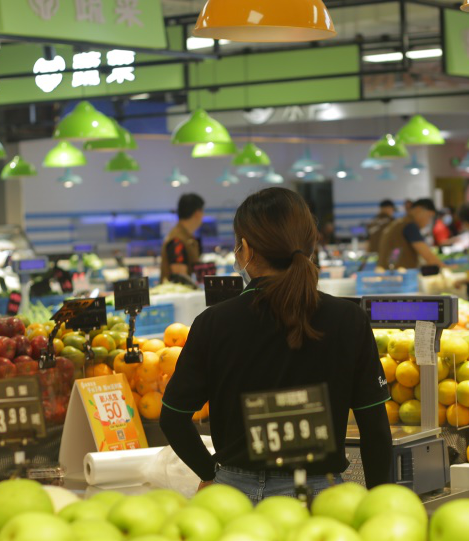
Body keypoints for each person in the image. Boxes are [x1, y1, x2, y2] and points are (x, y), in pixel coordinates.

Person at [159, 187, 393, 501]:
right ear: (311, 245)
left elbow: (173, 418)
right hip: (319, 498)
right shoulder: (348, 319)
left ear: (244, 249)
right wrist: (380, 505)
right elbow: (375, 429)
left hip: (232, 498)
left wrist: (210, 473)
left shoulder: (214, 323)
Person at [378, 198, 443, 270]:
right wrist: (446, 269)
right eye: (429, 216)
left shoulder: (400, 222)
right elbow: (428, 256)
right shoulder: (410, 225)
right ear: (419, 209)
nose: (428, 222)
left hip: (389, 271)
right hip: (398, 275)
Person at [161, 193, 205, 283]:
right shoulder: (177, 240)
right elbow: (180, 277)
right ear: (197, 213)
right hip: (176, 296)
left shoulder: (185, 237)